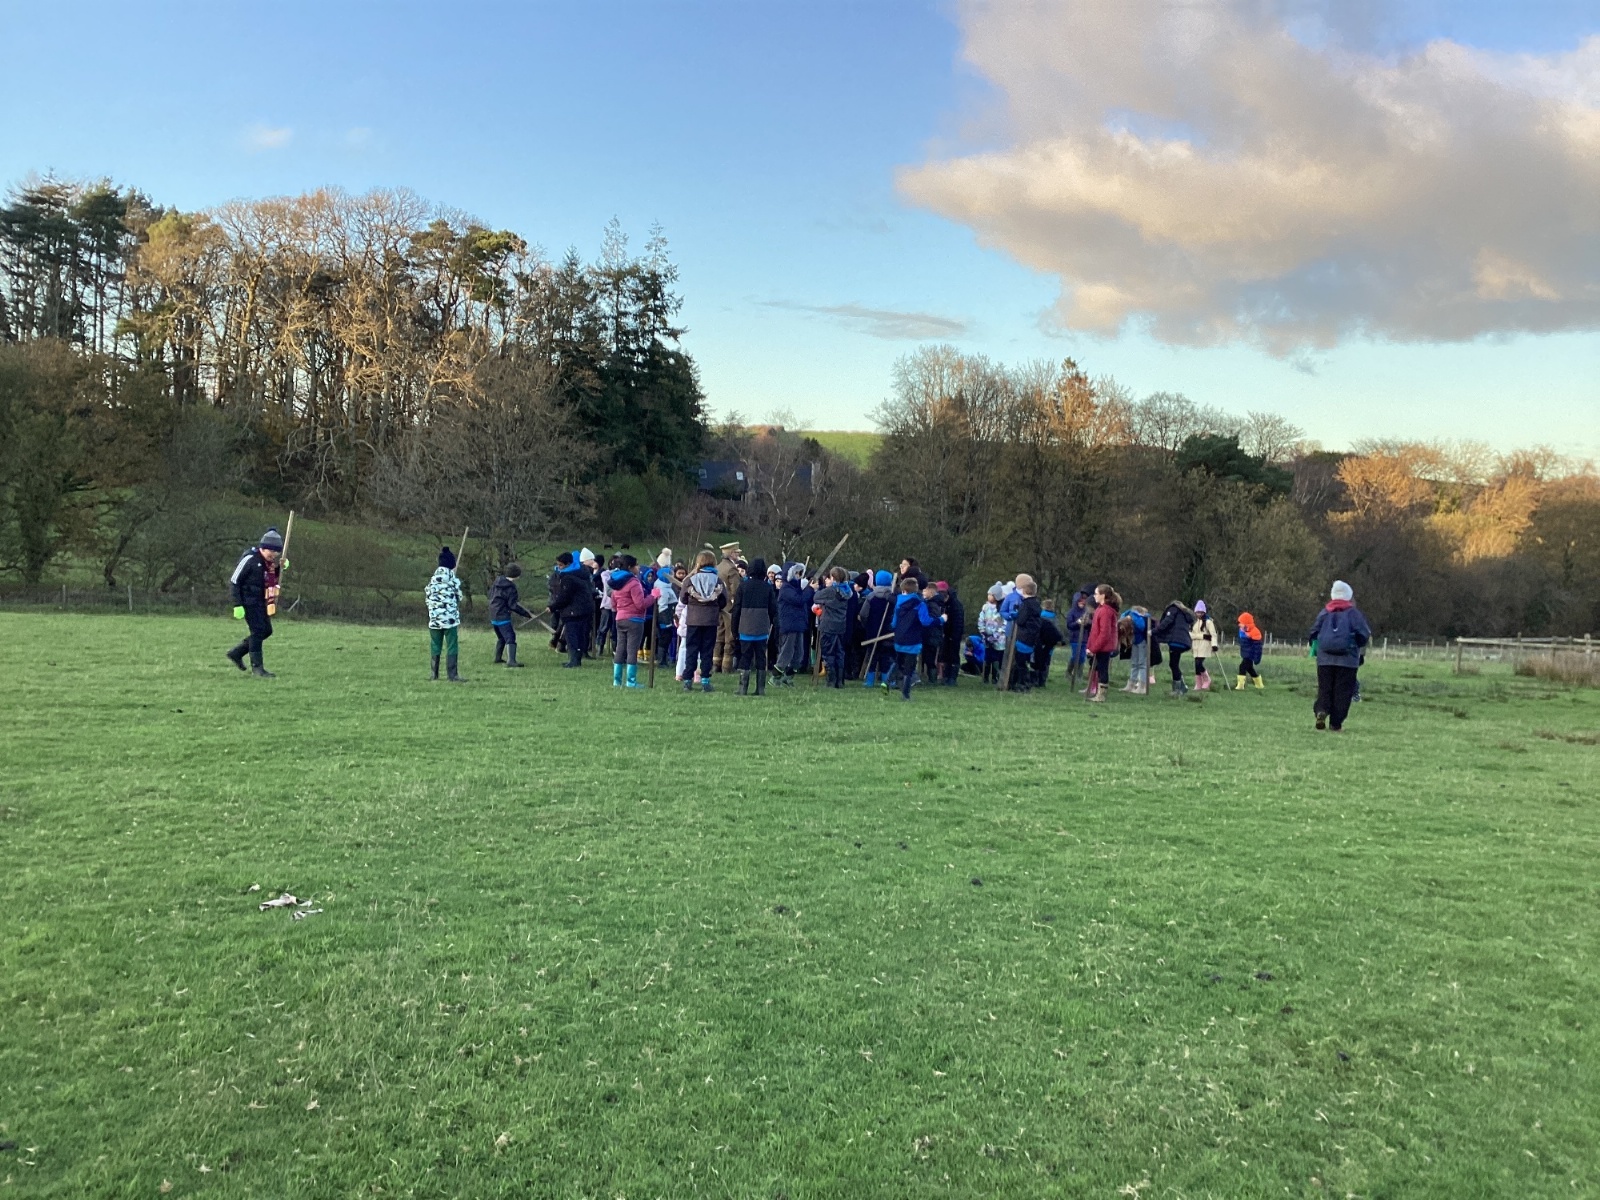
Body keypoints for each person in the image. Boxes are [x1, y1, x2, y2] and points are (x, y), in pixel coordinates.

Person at [1308, 581, 1371, 731]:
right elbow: (1364, 634)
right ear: (1349, 596)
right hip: (1347, 660)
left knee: (1325, 688)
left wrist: (1317, 647)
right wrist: (1357, 646)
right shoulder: (1353, 614)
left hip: (1324, 660)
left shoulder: (1325, 612)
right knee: (1343, 692)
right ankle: (1335, 724)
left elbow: (1313, 632)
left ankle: (1321, 710)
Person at [226, 527, 286, 677]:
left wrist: (280, 568)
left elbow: (268, 578)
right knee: (258, 631)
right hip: (248, 601)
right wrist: (237, 605)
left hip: (261, 601)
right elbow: (234, 581)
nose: (273, 554)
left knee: (266, 631)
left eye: (276, 552)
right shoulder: (250, 559)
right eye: (271, 551)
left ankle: (236, 653)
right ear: (263, 548)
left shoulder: (269, 564)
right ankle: (257, 668)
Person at [730, 556, 779, 695]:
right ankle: (760, 689)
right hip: (762, 627)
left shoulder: (743, 586)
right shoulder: (767, 588)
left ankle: (742, 688)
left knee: (745, 657)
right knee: (761, 657)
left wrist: (734, 629)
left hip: (745, 626)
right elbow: (773, 609)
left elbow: (736, 609)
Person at [607, 555, 656, 688]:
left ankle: (617, 681)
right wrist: (653, 596)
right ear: (630, 567)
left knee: (620, 648)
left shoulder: (616, 581)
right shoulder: (633, 582)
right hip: (634, 620)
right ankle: (631, 681)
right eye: (636, 565)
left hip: (620, 618)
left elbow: (613, 603)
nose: (638, 568)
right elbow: (640, 604)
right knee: (632, 650)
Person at [680, 550, 726, 691]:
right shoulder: (718, 581)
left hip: (693, 620)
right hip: (710, 620)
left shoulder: (690, 580)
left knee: (691, 650)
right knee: (707, 651)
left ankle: (688, 680)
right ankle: (705, 680)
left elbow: (683, 599)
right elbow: (723, 601)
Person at [423, 546, 466, 682]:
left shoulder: (432, 580)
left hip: (434, 619)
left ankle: (434, 674)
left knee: (435, 645)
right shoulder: (452, 579)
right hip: (450, 619)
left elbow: (427, 597)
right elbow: (459, 597)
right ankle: (452, 675)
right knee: (452, 644)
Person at [891, 576, 938, 700]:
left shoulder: (898, 603)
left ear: (903, 590)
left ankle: (888, 682)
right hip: (913, 640)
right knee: (909, 668)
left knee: (898, 662)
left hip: (899, 639)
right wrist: (940, 620)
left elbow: (894, 623)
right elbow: (925, 621)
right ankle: (905, 694)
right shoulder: (920, 603)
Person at [549, 550, 596, 668]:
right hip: (584, 609)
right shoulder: (581, 573)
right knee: (580, 635)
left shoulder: (568, 578)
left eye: (560, 565)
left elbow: (565, 597)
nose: (558, 568)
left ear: (568, 564)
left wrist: (552, 607)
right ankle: (577, 658)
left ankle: (574, 660)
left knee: (572, 636)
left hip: (573, 611)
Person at [813, 566, 853, 688]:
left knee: (828, 653)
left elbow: (816, 597)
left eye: (829, 577)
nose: (826, 580)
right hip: (840, 626)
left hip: (828, 625)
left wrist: (823, 599)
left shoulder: (831, 591)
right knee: (839, 653)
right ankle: (840, 681)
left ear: (834, 578)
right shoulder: (847, 591)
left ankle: (831, 680)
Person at [775, 563, 814, 685]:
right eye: (796, 573)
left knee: (799, 654)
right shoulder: (786, 589)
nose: (798, 575)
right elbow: (799, 600)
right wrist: (810, 589)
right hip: (789, 624)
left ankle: (788, 677)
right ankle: (775, 676)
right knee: (787, 651)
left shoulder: (795, 588)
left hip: (798, 624)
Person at [488, 563, 533, 667]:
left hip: (493, 614)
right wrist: (526, 614)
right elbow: (513, 605)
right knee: (510, 637)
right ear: (517, 575)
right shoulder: (511, 587)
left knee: (501, 637)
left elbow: (490, 595)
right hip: (502, 615)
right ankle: (511, 661)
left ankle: (498, 658)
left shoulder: (496, 582)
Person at [1085, 584, 1122, 702]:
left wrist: (1094, 648)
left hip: (1103, 647)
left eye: (1096, 594)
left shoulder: (1106, 611)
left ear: (1103, 595)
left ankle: (1101, 695)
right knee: (1098, 668)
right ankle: (1097, 693)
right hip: (1099, 645)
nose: (1094, 596)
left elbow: (1104, 633)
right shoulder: (1101, 609)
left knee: (1102, 670)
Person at [858, 569, 895, 687]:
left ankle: (870, 680)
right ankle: (886, 680)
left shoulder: (871, 596)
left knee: (872, 655)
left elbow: (863, 614)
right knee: (885, 655)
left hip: (872, 630)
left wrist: (866, 625)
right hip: (888, 631)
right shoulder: (892, 598)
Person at [1007, 574, 1042, 692]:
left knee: (1020, 663)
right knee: (1024, 661)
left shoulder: (1026, 605)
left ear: (1024, 591)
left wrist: (1017, 616)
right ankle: (1021, 683)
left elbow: (1021, 621)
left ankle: (1023, 684)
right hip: (1032, 637)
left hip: (1023, 637)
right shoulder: (1036, 604)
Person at [1153, 600, 1195, 695]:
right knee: (1174, 664)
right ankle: (1182, 686)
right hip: (1184, 642)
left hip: (1175, 641)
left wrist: (1153, 631)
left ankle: (1177, 689)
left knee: (1173, 664)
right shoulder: (1184, 614)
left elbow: (1166, 622)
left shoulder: (1172, 609)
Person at [714, 542, 743, 673]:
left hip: (718, 605)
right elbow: (736, 590)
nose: (738, 555)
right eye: (736, 552)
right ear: (731, 554)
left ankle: (715, 663)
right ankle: (727, 665)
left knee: (718, 635)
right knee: (729, 636)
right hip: (729, 607)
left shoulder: (718, 567)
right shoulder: (732, 569)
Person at [1031, 597, 1064, 687]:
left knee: (1036, 659)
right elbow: (1057, 631)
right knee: (1047, 660)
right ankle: (1043, 679)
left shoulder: (1040, 615)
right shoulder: (1055, 618)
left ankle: (1035, 679)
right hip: (1050, 643)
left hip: (1039, 641)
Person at [1120, 605, 1152, 695]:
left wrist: (1133, 615)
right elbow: (1122, 618)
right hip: (1134, 641)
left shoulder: (1144, 618)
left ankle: (1142, 686)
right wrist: (1129, 613)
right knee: (1134, 663)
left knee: (1142, 664)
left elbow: (1141, 627)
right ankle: (1131, 685)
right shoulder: (1134, 615)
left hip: (1142, 642)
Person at [977, 584, 1005, 685]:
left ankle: (995, 677)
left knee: (996, 658)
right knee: (987, 658)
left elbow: (1003, 625)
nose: (988, 596)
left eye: (991, 595)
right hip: (987, 637)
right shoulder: (985, 607)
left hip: (998, 639)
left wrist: (995, 636)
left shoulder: (1001, 609)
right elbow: (981, 620)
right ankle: (985, 676)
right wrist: (983, 632)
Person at [1063, 591, 1091, 691]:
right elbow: (1069, 625)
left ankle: (1079, 675)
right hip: (1075, 637)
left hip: (1085, 638)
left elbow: (1091, 625)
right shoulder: (1071, 612)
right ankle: (1068, 672)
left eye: (1084, 602)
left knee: (1082, 657)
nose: (1082, 603)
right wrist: (1077, 623)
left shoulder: (1087, 612)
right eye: (1080, 601)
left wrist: (1087, 623)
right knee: (1075, 656)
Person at [1190, 600, 1221, 690]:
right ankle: (1198, 684)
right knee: (1196, 665)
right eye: (1197, 612)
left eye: (1201, 612)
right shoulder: (1194, 622)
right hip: (1196, 646)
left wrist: (1214, 645)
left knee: (1199, 663)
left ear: (1204, 612)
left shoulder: (1208, 622)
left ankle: (1207, 679)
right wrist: (1202, 636)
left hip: (1204, 646)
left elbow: (1213, 634)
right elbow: (1191, 634)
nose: (1199, 614)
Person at [939, 582, 965, 685]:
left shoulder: (955, 606)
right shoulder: (945, 605)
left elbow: (958, 622)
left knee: (953, 655)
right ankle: (946, 676)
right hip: (946, 633)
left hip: (954, 634)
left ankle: (952, 677)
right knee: (945, 654)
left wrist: (955, 636)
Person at [1235, 611, 1265, 690]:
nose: (1239, 624)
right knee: (1250, 669)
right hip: (1245, 653)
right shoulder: (1242, 631)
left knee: (1242, 667)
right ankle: (1259, 684)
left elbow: (1258, 647)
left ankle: (1240, 685)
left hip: (1250, 655)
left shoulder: (1255, 632)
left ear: (1246, 623)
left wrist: (1257, 658)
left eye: (1241, 623)